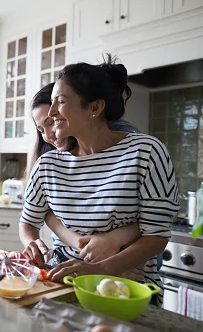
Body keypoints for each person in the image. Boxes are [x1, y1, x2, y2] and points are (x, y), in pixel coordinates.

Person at [20, 54, 179, 306]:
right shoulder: (48, 164)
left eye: (60, 102)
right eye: (51, 103)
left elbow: (156, 236)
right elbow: (29, 222)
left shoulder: (145, 151)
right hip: (64, 284)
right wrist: (34, 245)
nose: (51, 113)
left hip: (126, 291)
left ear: (94, 108)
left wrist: (102, 269)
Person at [21, 82, 142, 269]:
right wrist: (80, 244)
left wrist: (113, 250)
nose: (49, 135)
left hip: (127, 261)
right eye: (41, 129)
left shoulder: (127, 143)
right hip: (72, 258)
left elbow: (157, 218)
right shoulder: (49, 159)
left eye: (52, 121)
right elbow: (38, 213)